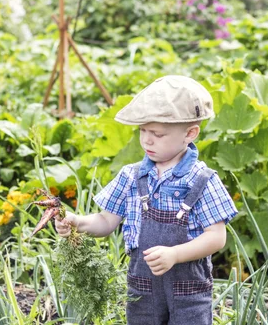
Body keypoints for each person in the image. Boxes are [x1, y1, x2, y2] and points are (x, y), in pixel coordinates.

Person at [55, 75, 238, 325]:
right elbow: (106, 221)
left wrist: (175, 254)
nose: (147, 140)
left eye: (157, 134)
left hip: (188, 292)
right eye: (142, 131)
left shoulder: (202, 180)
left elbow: (217, 237)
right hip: (143, 288)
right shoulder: (132, 176)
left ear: (190, 133)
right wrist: (78, 222)